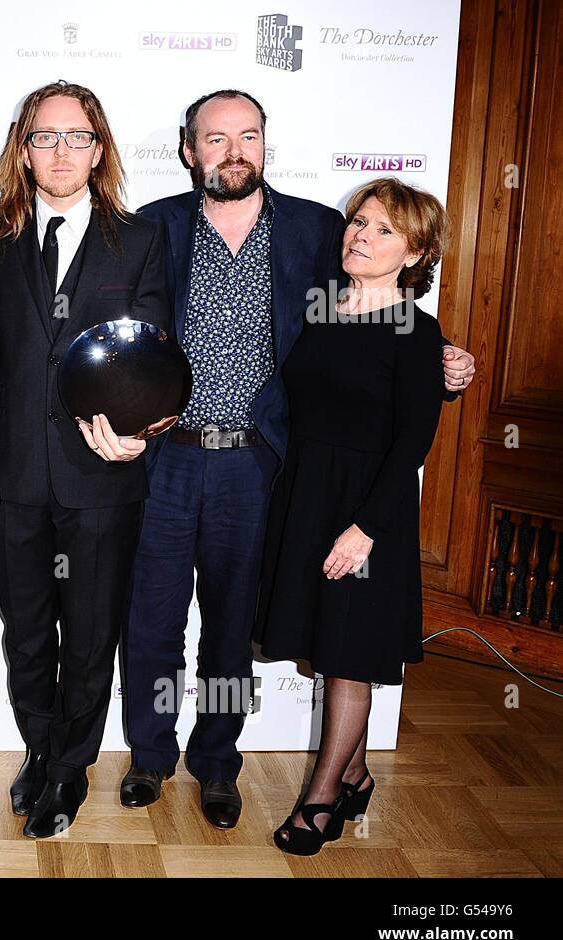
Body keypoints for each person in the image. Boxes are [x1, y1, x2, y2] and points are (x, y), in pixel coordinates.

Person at [120, 89, 477, 830]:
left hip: (260, 467)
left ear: (264, 144)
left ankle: (217, 764)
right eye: (215, 139)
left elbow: (379, 314)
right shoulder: (151, 227)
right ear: (190, 150)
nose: (233, 151)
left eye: (247, 135)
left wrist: (439, 355)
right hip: (165, 459)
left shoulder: (316, 230)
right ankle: (149, 757)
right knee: (151, 619)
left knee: (229, 625)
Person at [0, 81, 169, 839]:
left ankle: (70, 768)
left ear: (99, 148)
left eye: (75, 136)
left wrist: (142, 429)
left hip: (103, 476)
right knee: (25, 631)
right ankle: (40, 746)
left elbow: (154, 355)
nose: (59, 150)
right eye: (44, 136)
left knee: (88, 633)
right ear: (24, 148)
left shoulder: (140, 239)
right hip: (9, 475)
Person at [255, 178, 448, 855]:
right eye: (359, 222)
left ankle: (321, 800)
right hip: (306, 494)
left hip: (371, 506)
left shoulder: (418, 334)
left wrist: (365, 528)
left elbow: (412, 444)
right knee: (328, 642)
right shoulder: (317, 307)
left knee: (349, 660)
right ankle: (357, 772)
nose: (362, 236)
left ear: (417, 251)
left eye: (384, 230)